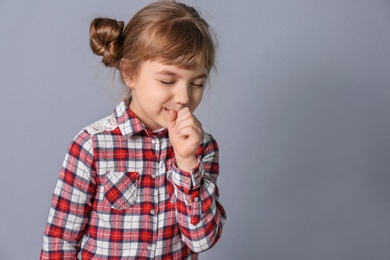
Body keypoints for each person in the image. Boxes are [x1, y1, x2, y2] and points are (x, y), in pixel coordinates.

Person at [40, 1, 226, 259]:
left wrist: (186, 161)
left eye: (197, 83)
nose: (184, 97)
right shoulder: (93, 145)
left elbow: (201, 239)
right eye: (167, 80)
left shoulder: (201, 147)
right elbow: (60, 240)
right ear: (129, 73)